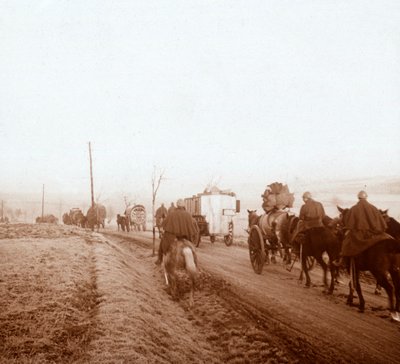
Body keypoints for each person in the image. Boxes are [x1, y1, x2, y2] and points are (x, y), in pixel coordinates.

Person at [333, 191, 390, 266]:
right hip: (374, 233)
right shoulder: (373, 208)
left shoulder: (354, 208)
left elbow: (349, 225)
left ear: (358, 198)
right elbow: (381, 223)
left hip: (359, 234)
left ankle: (343, 260)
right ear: (366, 197)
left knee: (346, 242)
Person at [155, 199, 198, 265]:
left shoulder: (172, 213)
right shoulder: (188, 214)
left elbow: (164, 223)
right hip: (185, 237)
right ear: (184, 206)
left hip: (173, 237)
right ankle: (195, 263)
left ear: (177, 205)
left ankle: (159, 259)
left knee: (162, 243)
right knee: (192, 248)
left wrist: (162, 228)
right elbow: (193, 227)